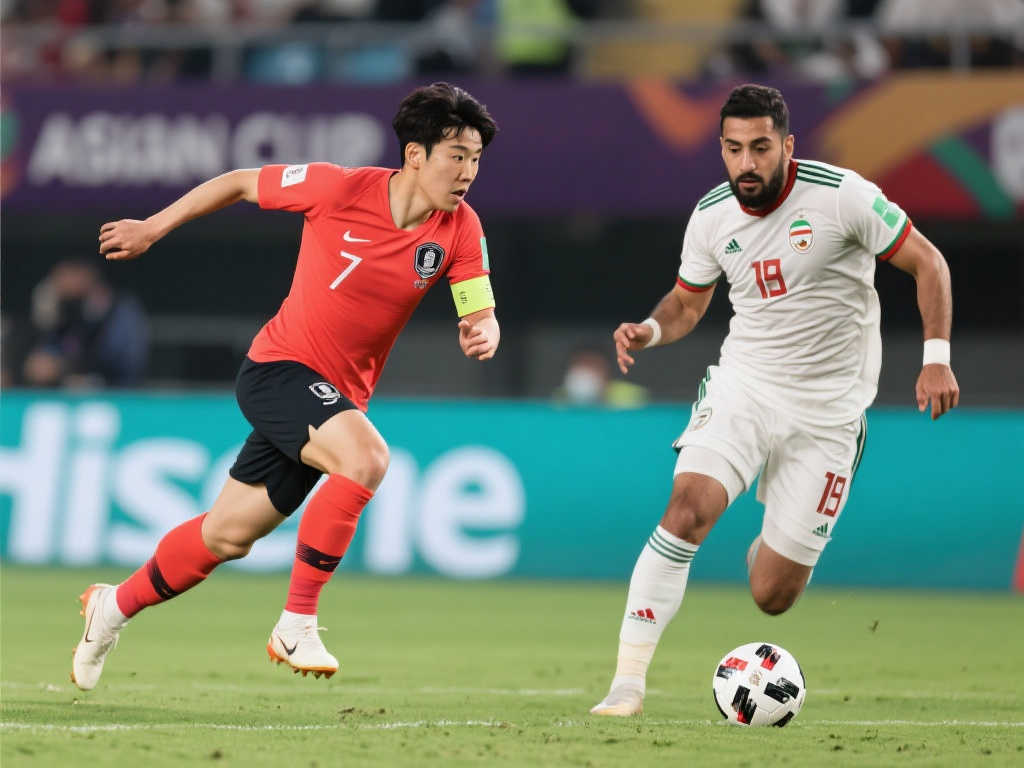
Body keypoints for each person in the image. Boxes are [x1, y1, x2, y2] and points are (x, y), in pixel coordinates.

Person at [71, 82, 499, 691]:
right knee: (366, 459)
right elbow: (239, 182)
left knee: (226, 536)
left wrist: (485, 331)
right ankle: (296, 622)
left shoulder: (460, 227)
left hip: (336, 399)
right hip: (280, 369)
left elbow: (479, 305)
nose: (468, 172)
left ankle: (111, 607)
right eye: (456, 156)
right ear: (414, 154)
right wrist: (153, 227)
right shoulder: (337, 188)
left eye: (476, 159)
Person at [590, 83, 959, 716]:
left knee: (772, 595)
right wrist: (649, 330)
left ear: (787, 146)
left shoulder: (842, 196)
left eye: (760, 147)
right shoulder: (712, 215)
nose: (747, 163)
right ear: (721, 149)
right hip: (746, 386)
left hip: (829, 414)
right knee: (687, 509)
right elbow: (686, 304)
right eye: (734, 149)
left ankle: (776, 538)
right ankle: (627, 684)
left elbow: (929, 263)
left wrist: (936, 358)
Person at [22, 259, 148, 389]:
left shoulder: (123, 310)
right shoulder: (67, 307)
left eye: (68, 274)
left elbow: (127, 364)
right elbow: (48, 353)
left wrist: (67, 368)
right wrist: (46, 311)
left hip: (118, 390)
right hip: (69, 389)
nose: (61, 282)